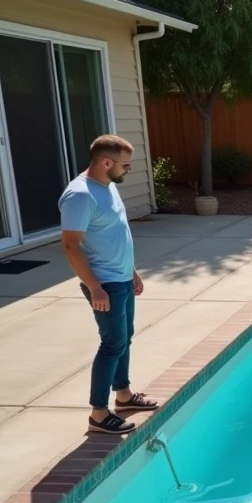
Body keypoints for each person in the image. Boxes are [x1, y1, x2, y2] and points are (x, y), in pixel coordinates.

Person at [60, 134, 158, 435]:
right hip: (105, 284)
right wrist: (94, 286)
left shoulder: (107, 187)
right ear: (106, 162)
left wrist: (131, 271)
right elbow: (70, 246)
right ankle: (99, 414)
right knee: (112, 344)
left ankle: (124, 396)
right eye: (125, 165)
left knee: (123, 339)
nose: (128, 170)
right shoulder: (80, 195)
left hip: (121, 278)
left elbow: (115, 234)